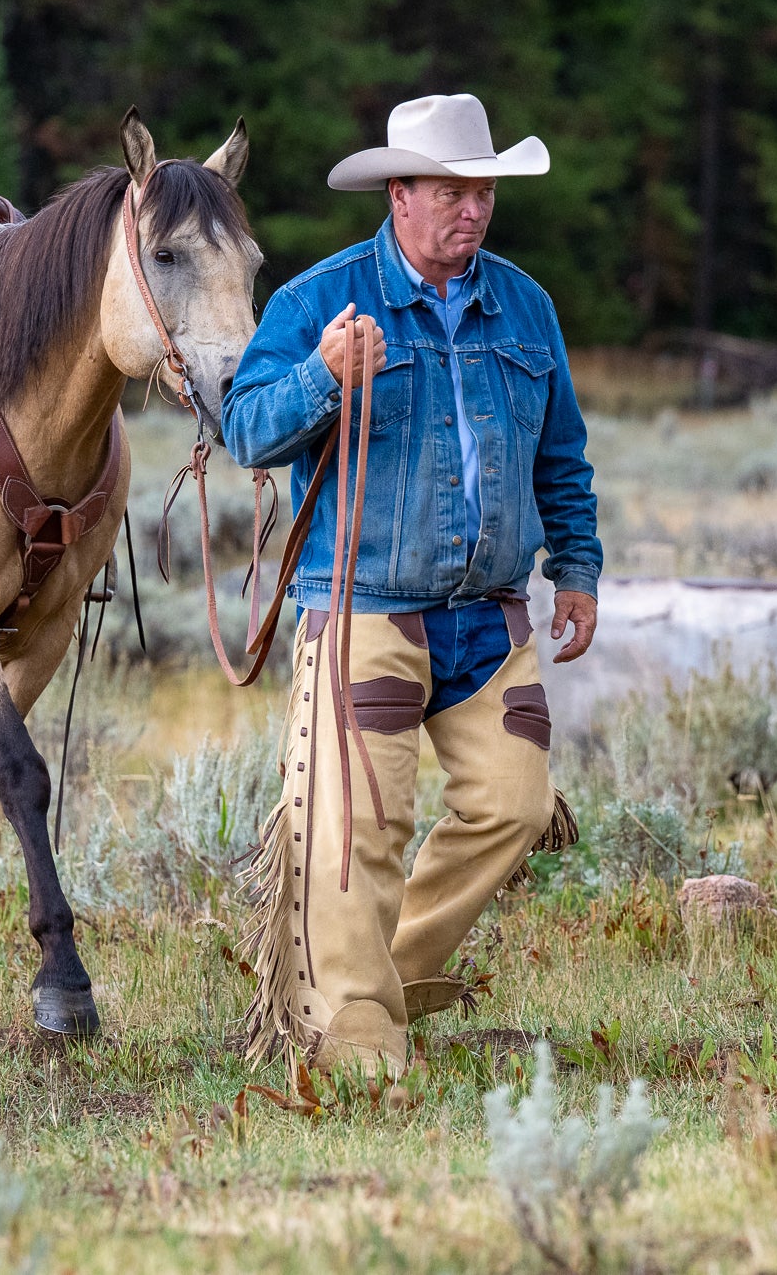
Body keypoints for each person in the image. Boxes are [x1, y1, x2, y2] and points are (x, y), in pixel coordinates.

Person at [221, 93, 601, 1074]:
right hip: (365, 612)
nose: (469, 210)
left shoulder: (524, 305)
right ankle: (357, 1052)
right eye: (448, 191)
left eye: (482, 191)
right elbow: (247, 432)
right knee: (358, 834)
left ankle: (374, 981)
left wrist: (579, 568)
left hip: (490, 620)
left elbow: (560, 454)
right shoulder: (320, 303)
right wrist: (322, 376)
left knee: (513, 808)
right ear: (399, 194)